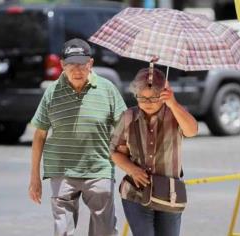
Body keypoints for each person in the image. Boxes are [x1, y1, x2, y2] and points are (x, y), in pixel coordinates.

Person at [28, 38, 126, 236]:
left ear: (90, 63)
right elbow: (39, 134)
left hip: (99, 169)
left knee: (105, 230)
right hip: (61, 169)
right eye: (72, 64)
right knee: (62, 231)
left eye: (82, 63)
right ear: (62, 65)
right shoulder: (52, 93)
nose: (78, 69)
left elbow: (125, 129)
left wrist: (129, 163)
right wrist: (34, 177)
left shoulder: (107, 89)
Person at [110, 67, 198, 236]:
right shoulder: (128, 117)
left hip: (169, 193)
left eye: (153, 98)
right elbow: (116, 152)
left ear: (163, 95)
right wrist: (132, 170)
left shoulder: (174, 114)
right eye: (142, 98)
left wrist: (173, 103)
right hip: (136, 192)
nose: (147, 103)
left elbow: (192, 131)